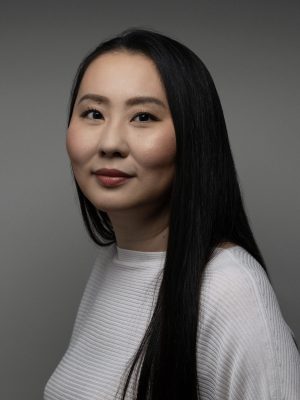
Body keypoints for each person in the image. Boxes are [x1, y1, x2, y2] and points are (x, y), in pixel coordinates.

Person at [43, 28, 300, 400]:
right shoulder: (112, 264)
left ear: (193, 137)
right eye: (93, 113)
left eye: (143, 116)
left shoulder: (229, 289)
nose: (110, 142)